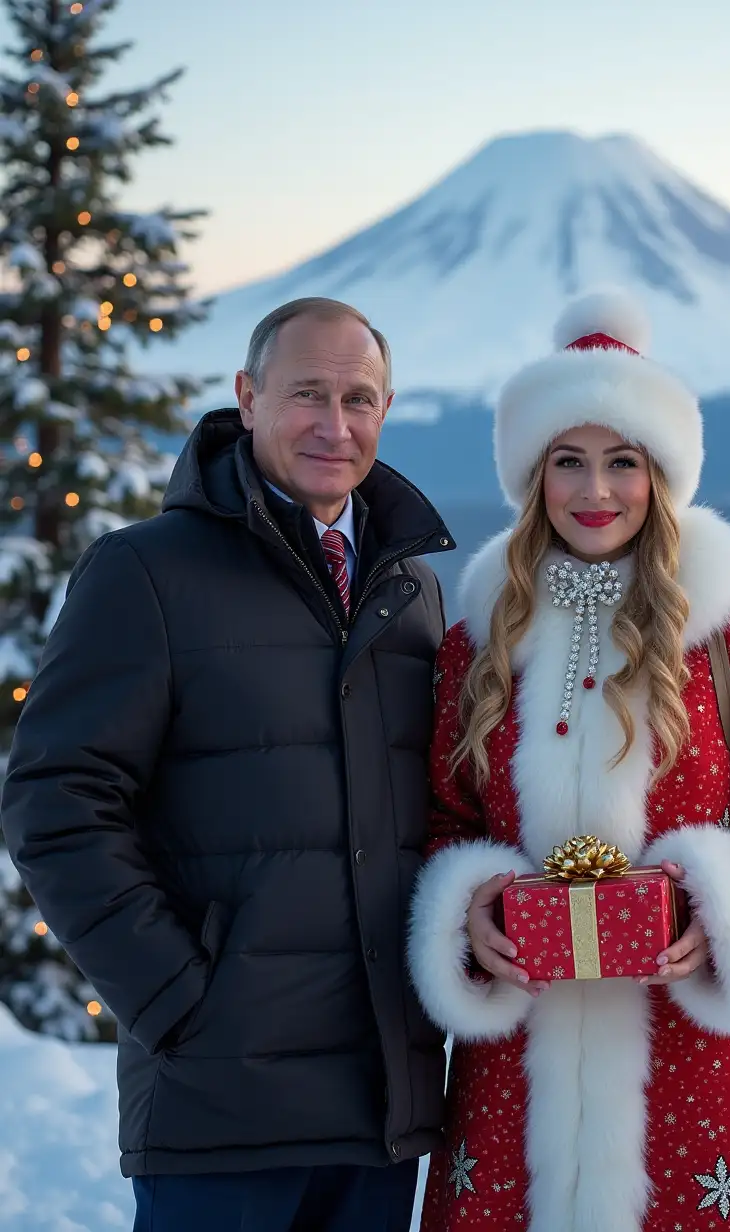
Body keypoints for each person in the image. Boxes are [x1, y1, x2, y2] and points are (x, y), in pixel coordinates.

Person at [407, 290, 730, 1232]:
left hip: (698, 1076)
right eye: (566, 463)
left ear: (662, 475)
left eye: (623, 462)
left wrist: (723, 910)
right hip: (516, 1085)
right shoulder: (477, 647)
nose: (594, 492)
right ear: (531, 478)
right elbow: (435, 821)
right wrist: (469, 909)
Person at [1, 297, 455, 1232]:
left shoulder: (413, 587)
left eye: (360, 399)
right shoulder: (145, 572)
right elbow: (56, 800)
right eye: (308, 395)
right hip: (220, 1104)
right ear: (246, 398)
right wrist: (174, 997)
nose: (336, 425)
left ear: (386, 408)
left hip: (382, 1107)